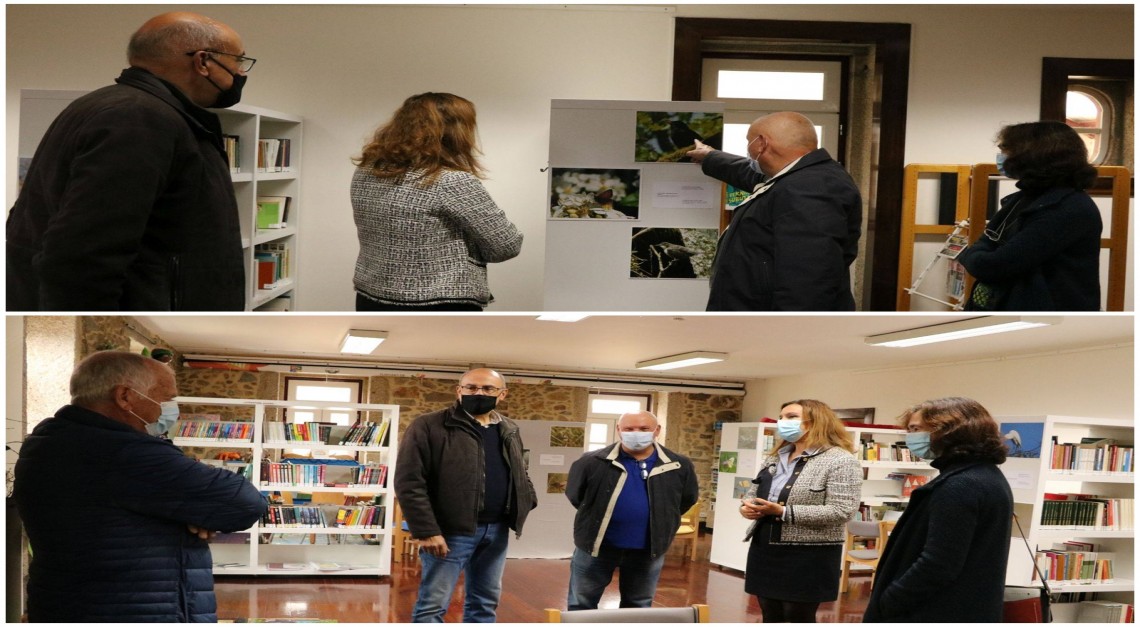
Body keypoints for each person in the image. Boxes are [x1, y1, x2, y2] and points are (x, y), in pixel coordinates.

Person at [7, 12, 253, 311]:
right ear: (203, 62)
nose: (240, 72)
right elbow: (85, 255)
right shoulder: (139, 119)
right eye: (238, 60)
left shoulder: (120, 108)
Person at [13, 351, 267, 622]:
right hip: (136, 609)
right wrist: (197, 508)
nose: (169, 409)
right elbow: (246, 503)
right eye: (166, 399)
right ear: (125, 397)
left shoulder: (48, 442)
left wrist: (194, 506)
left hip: (69, 601)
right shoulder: (125, 452)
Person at [351, 93, 523, 311]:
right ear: (455, 132)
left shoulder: (367, 171)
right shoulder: (450, 180)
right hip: (440, 304)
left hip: (371, 298)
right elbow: (506, 245)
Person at [394, 368, 537, 622]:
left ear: (502, 394)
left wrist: (526, 500)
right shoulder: (428, 425)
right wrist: (426, 530)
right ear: (459, 390)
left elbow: (519, 471)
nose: (478, 393)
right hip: (450, 533)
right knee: (433, 605)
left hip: (496, 531)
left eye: (488, 389)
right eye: (471, 387)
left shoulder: (509, 428)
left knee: (485, 603)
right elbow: (409, 482)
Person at [687, 112, 862, 311]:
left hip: (773, 330)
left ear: (761, 143)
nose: (748, 150)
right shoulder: (799, 178)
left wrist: (784, 335)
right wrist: (710, 157)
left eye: (748, 142)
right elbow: (748, 174)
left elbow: (807, 278)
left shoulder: (810, 186)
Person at [863, 397, 1013, 622]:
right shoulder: (986, 475)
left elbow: (938, 563)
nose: (910, 437)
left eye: (916, 429)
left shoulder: (960, 485)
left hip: (936, 610)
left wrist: (891, 599)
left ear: (950, 431)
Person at [738, 400, 861, 623]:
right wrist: (747, 508)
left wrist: (783, 512)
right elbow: (754, 492)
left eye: (791, 417)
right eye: (781, 416)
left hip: (808, 554)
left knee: (796, 616)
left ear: (816, 421)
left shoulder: (840, 460)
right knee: (769, 613)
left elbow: (843, 510)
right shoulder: (776, 456)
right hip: (765, 547)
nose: (783, 422)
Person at [958, 121, 1102, 310]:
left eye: (1007, 150)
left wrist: (973, 256)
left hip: (1047, 319)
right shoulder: (1023, 198)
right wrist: (977, 255)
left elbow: (996, 265)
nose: (1002, 157)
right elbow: (985, 243)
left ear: (1034, 155)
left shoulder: (1068, 208)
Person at [564, 411, 699, 610]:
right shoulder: (591, 462)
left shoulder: (679, 465)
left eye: (644, 429)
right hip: (596, 547)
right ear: (619, 430)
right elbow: (576, 496)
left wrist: (661, 519)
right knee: (581, 603)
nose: (636, 433)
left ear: (657, 430)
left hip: (648, 550)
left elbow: (686, 500)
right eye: (629, 429)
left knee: (638, 605)